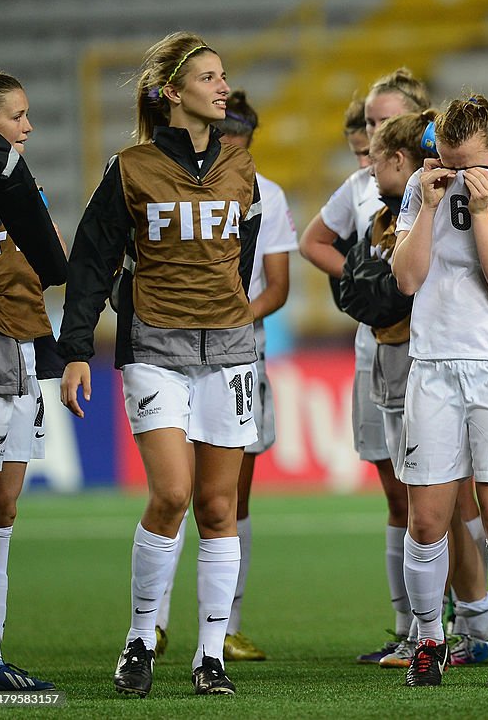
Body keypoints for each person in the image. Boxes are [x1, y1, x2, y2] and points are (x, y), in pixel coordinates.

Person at [58, 32, 261, 697]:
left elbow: (242, 256)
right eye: (208, 77)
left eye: (222, 74)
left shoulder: (240, 168)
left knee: (218, 504)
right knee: (172, 493)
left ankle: (210, 656)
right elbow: (92, 260)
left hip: (230, 349)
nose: (222, 86)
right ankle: (141, 637)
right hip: (157, 350)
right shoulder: (132, 167)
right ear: (173, 93)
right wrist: (78, 349)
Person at [391, 94, 488, 687]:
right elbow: (406, 278)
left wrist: (481, 209)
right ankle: (428, 640)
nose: (458, 176)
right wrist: (428, 208)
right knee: (425, 519)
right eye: (449, 163)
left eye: (470, 165)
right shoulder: (421, 190)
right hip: (432, 366)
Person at [153, 89, 298, 664]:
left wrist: (231, 316)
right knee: (172, 491)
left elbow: (279, 285)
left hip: (242, 360)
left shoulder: (270, 194)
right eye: (227, 140)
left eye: (243, 142)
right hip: (174, 357)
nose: (235, 150)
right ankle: (155, 622)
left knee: (230, 499)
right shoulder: (180, 184)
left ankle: (227, 627)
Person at [299, 71, 430, 663]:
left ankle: (463, 619)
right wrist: (361, 283)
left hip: (432, 349)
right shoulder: (360, 184)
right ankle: (408, 625)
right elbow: (315, 242)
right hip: (375, 349)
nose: (368, 131)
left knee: (451, 493)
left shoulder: (433, 185)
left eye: (381, 122)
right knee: (396, 492)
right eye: (368, 121)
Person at [0, 67, 61, 693]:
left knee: (3, 511)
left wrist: (54, 360)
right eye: (16, 117)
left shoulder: (14, 201)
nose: (28, 127)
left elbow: (38, 281)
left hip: (21, 365)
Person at [0, 119, 66, 289]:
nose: (28, 127)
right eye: (16, 117)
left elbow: (48, 277)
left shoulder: (26, 189)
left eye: (26, 115)